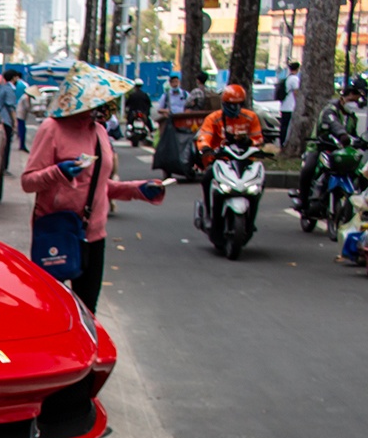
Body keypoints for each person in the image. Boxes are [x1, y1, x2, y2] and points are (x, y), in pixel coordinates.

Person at [23, 65, 166, 311]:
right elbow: (28, 181)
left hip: (93, 235)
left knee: (87, 310)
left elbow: (99, 185)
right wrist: (59, 172)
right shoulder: (52, 128)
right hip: (56, 229)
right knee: (51, 308)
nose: (109, 106)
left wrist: (138, 189)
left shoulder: (99, 131)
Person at [296, 79, 368, 212]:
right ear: (346, 97)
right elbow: (333, 124)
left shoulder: (352, 116)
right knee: (308, 169)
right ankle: (303, 200)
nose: (356, 103)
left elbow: (353, 134)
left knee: (360, 172)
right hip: (320, 146)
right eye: (354, 99)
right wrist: (342, 135)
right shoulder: (330, 110)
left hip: (342, 151)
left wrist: (362, 142)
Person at [194, 82, 268, 209]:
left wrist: (250, 142)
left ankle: (251, 219)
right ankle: (208, 212)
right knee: (207, 179)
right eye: (230, 105)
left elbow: (258, 139)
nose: (234, 108)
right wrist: (205, 148)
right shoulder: (213, 118)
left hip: (245, 161)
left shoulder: (251, 117)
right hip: (220, 160)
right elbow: (204, 136)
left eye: (237, 105)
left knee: (260, 181)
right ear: (223, 104)